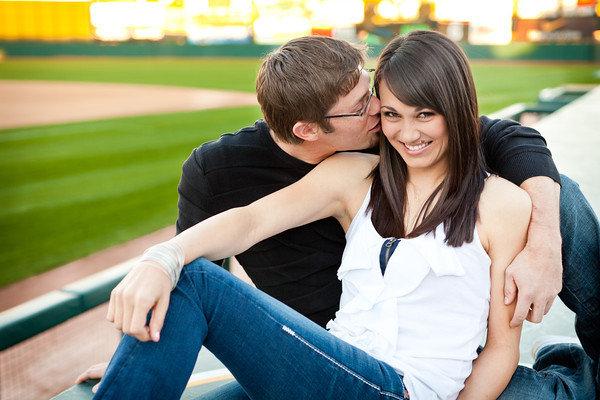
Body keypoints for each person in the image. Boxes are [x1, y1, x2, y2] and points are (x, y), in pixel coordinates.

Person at [78, 34, 599, 398]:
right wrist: (157, 268)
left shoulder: (500, 202)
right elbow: (249, 221)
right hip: (327, 358)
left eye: (421, 113)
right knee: (186, 281)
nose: (394, 125)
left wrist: (544, 241)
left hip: (403, 388)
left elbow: (501, 348)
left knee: (196, 282)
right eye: (384, 111)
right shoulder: (353, 173)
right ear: (309, 129)